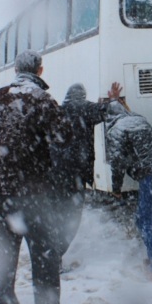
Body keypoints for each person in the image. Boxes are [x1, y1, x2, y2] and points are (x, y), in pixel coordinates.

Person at [0, 50, 79, 304]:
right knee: (44, 257)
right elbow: (64, 135)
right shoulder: (41, 99)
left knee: (2, 255)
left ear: (15, 70)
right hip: (33, 195)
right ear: (40, 70)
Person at [50, 82, 122, 260]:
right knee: (72, 216)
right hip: (78, 173)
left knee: (56, 214)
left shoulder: (57, 111)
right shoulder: (86, 108)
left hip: (55, 173)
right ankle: (57, 253)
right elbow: (112, 110)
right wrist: (113, 99)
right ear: (82, 95)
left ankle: (50, 255)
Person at [104, 101, 152, 282]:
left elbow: (117, 163)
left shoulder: (116, 130)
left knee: (146, 222)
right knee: (143, 220)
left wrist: (116, 189)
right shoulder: (139, 120)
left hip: (149, 176)